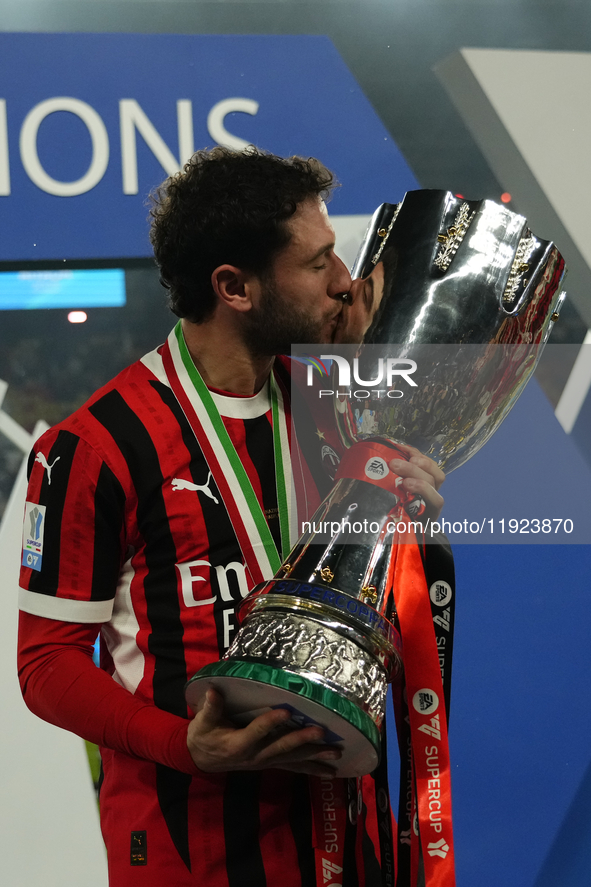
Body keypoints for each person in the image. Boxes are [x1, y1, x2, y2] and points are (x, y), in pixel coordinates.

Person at [17, 147, 444, 886]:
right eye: (317, 264)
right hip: (200, 844)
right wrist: (188, 743)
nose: (344, 282)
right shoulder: (94, 445)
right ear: (234, 287)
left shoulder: (338, 414)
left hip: (347, 826)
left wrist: (417, 533)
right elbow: (45, 663)